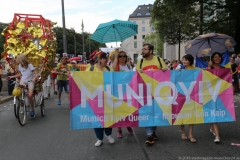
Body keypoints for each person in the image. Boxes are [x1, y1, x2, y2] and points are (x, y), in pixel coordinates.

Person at [136, 43, 167, 145]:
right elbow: (134, 76)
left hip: (158, 92)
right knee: (148, 112)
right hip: (145, 92)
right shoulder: (140, 62)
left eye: (145, 49)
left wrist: (164, 70)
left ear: (150, 51)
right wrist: (138, 71)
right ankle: (149, 135)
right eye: (142, 49)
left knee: (155, 113)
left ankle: (153, 131)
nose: (142, 51)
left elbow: (167, 73)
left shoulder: (159, 60)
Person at [86, 52, 114, 147]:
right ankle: (99, 138)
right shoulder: (90, 69)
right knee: (97, 118)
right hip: (95, 98)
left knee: (109, 116)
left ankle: (108, 134)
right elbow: (82, 78)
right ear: (99, 59)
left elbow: (116, 80)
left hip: (108, 97)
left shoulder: (109, 69)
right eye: (105, 58)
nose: (106, 60)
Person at [112, 49, 133, 138]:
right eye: (120, 56)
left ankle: (128, 125)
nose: (122, 58)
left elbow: (132, 76)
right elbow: (112, 70)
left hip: (127, 90)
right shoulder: (116, 66)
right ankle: (119, 130)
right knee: (118, 111)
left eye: (124, 56)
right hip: (117, 91)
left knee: (127, 110)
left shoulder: (128, 66)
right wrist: (116, 57)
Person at [206, 52, 226, 143]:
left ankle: (211, 128)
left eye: (219, 57)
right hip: (211, 94)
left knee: (218, 112)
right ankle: (217, 136)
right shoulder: (210, 68)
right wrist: (209, 68)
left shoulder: (224, 69)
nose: (217, 58)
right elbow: (205, 78)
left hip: (221, 94)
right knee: (214, 113)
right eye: (215, 57)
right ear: (212, 59)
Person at [180, 54, 197, 143]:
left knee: (191, 114)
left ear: (190, 61)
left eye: (186, 60)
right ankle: (183, 132)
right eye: (183, 60)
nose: (184, 61)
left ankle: (190, 134)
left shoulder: (195, 69)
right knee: (181, 114)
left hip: (191, 95)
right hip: (182, 95)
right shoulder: (180, 70)